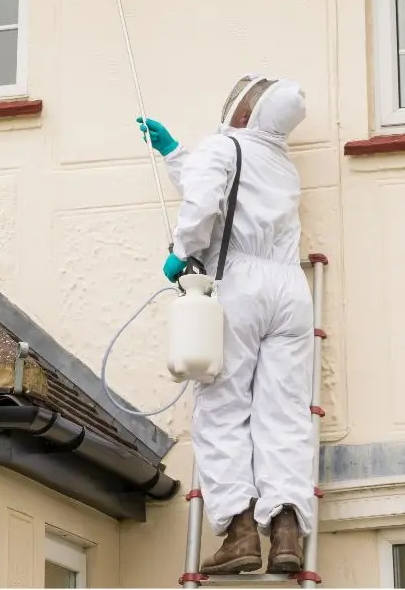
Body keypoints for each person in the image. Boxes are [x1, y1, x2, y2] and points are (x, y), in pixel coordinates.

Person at [137, 74, 314, 576]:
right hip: (290, 291)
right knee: (284, 412)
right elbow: (218, 186)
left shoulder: (224, 146)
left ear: (243, 112)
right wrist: (174, 154)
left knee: (221, 406)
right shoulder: (281, 163)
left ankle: (239, 532)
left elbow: (204, 202)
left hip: (238, 284)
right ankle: (285, 532)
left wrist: (181, 252)